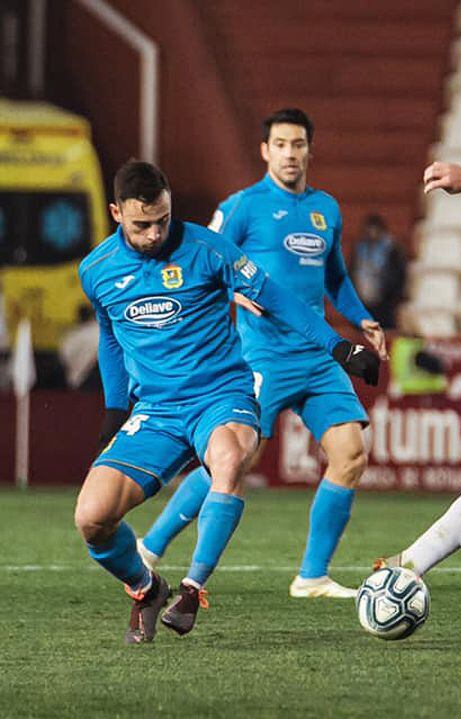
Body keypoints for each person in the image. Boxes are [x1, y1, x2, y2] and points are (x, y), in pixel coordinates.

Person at [77, 160, 380, 642]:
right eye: (142, 225)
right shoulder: (95, 270)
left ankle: (193, 590)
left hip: (221, 395)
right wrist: (116, 411)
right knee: (92, 518)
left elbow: (276, 297)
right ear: (116, 213)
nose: (155, 233)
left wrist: (339, 347)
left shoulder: (208, 248)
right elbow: (111, 340)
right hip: (155, 411)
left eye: (162, 219)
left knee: (231, 455)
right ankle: (146, 588)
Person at [137, 109, 387, 600]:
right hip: (260, 357)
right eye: (281, 144)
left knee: (351, 455)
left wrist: (361, 318)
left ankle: (311, 576)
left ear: (310, 150)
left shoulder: (326, 209)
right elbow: (199, 265)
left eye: (298, 144)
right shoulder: (242, 208)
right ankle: (152, 545)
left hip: (318, 356)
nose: (290, 153)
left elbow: (333, 277)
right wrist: (232, 294)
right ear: (265, 151)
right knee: (229, 463)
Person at [352, 213, 408, 329]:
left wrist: (391, 294)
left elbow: (399, 274)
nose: (372, 233)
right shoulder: (360, 248)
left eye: (375, 229)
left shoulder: (392, 248)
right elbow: (353, 271)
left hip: (385, 300)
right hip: (363, 297)